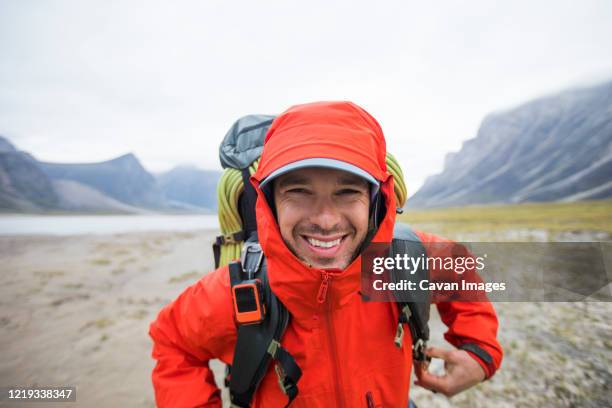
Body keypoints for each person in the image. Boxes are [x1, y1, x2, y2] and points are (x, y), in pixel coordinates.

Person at [149, 101, 502, 407]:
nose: (326, 220)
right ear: (268, 201)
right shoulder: (237, 290)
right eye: (299, 191)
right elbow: (173, 340)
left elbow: (462, 268)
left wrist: (480, 352)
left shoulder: (401, 258)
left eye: (347, 192)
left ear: (375, 200)